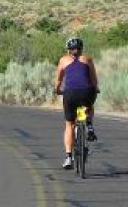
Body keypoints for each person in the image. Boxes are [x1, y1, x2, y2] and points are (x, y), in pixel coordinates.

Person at [54, 36, 99, 170]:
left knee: (70, 124)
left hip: (70, 94)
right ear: (81, 49)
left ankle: (69, 158)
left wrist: (57, 90)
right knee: (87, 107)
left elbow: (58, 81)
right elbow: (93, 80)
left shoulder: (63, 60)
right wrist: (95, 89)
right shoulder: (88, 59)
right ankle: (89, 125)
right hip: (86, 92)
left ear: (68, 50)